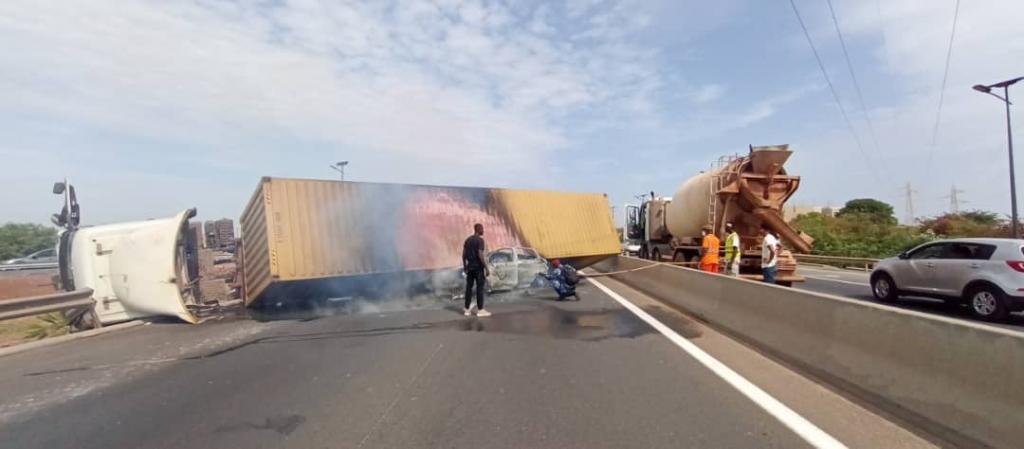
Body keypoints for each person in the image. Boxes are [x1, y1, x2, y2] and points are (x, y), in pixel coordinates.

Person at [462, 223, 491, 317]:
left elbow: (464, 255)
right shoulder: (480, 240)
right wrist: (486, 267)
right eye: (482, 229)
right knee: (479, 289)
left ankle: (467, 309)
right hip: (478, 268)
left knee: (469, 288)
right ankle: (480, 310)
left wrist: (465, 266)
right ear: (478, 229)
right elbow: (480, 254)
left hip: (470, 267)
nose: (483, 230)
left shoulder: (468, 240)